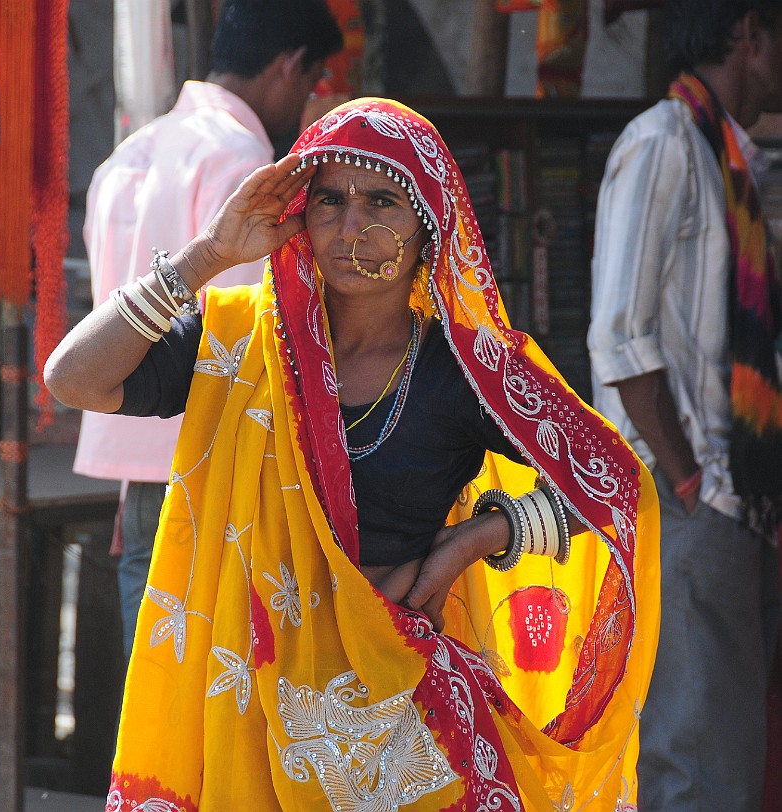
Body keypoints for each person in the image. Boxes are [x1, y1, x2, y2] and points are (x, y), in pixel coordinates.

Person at [47, 98, 659, 810]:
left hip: (401, 734)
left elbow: (613, 485)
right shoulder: (238, 343)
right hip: (244, 718)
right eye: (330, 200)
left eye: (382, 203)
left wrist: (477, 538)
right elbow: (74, 378)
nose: (352, 227)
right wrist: (206, 255)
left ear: (430, 227)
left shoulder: (466, 370)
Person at [74, 0, 343, 662]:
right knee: (203, 697)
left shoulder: (128, 153)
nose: (304, 101)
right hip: (210, 462)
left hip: (132, 447)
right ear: (288, 67)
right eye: (309, 84)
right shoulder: (242, 160)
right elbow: (252, 333)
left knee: (156, 696)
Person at [587, 2, 782, 809]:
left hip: (733, 507)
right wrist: (688, 483)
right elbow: (621, 342)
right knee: (698, 771)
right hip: (688, 503)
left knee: (724, 760)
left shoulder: (727, 157)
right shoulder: (665, 145)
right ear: (748, 35)